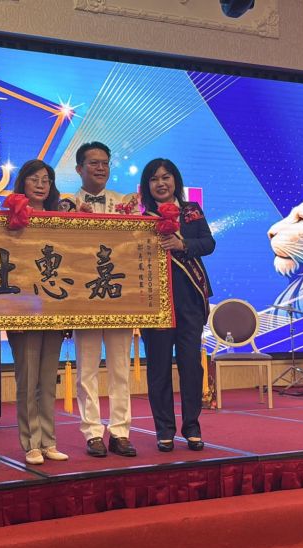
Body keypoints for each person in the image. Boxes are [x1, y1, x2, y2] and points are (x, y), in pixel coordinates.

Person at [138, 158, 215, 452]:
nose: (161, 183)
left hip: (189, 300)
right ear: (147, 186)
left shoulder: (191, 211)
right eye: (154, 178)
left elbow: (208, 243)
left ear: (175, 180)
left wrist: (183, 245)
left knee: (191, 366)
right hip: (154, 303)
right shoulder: (141, 218)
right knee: (158, 368)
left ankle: (192, 427)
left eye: (166, 177)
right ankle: (164, 430)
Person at [71, 141, 137, 457]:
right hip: (84, 295)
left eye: (105, 163)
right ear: (79, 168)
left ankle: (121, 432)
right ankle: (92, 432)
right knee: (86, 369)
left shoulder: (126, 203)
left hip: (119, 294)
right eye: (93, 163)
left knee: (120, 368)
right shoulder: (66, 203)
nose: (100, 168)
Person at [5, 160, 69, 465]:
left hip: (53, 307)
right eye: (34, 179)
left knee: (47, 379)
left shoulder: (60, 218)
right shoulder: (11, 218)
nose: (41, 184)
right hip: (23, 309)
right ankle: (30, 442)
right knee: (28, 380)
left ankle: (49, 441)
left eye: (46, 179)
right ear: (23, 182)